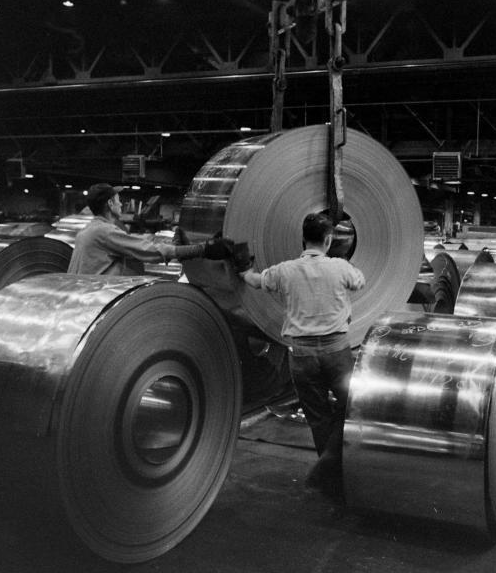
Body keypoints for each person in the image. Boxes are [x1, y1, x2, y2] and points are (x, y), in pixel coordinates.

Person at [239, 212, 365, 499]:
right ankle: (331, 462)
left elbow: (254, 281)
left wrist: (241, 267)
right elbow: (360, 281)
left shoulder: (285, 270)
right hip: (337, 353)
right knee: (351, 408)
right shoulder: (340, 267)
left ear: (302, 239)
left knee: (318, 417)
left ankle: (330, 477)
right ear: (329, 239)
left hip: (303, 355)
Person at [67, 183, 233, 275]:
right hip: (94, 301)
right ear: (110, 204)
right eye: (118, 200)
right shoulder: (102, 232)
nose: (121, 204)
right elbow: (149, 251)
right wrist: (202, 249)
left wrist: (170, 241)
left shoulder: (90, 230)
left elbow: (137, 242)